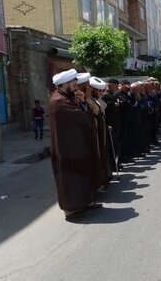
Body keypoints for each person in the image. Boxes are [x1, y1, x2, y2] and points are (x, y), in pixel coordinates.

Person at [48, 69, 101, 221]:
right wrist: (83, 103)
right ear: (65, 84)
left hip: (77, 146)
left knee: (82, 176)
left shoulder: (66, 98)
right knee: (71, 180)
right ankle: (71, 210)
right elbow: (83, 119)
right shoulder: (59, 102)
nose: (76, 87)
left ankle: (86, 202)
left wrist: (82, 102)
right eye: (73, 84)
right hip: (68, 150)